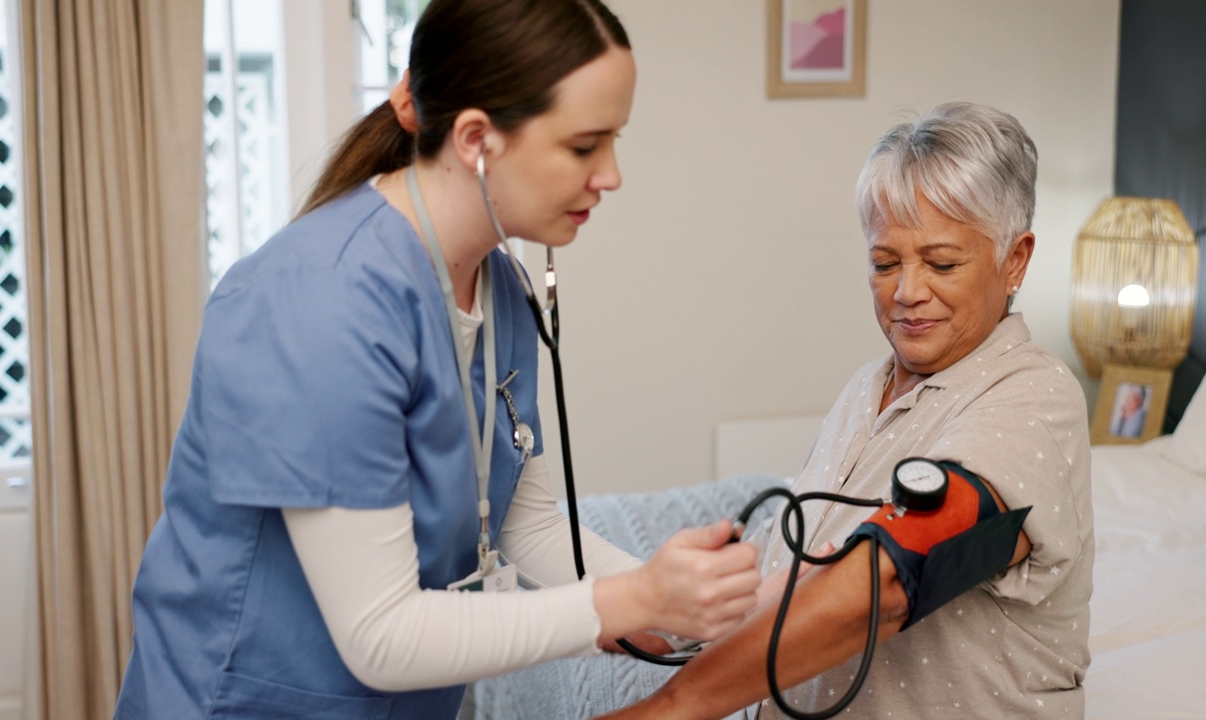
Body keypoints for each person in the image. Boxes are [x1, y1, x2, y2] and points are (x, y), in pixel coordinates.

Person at [112, 1, 762, 718]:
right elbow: (381, 635)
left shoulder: (500, 288)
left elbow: (526, 524)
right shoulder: (322, 303)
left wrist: (674, 599)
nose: (611, 175)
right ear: (477, 140)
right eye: (585, 146)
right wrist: (623, 602)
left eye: (615, 141)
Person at [596, 101, 1093, 720]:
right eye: (885, 263)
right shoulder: (867, 387)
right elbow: (803, 560)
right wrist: (670, 623)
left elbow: (888, 580)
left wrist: (671, 707)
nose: (907, 293)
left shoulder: (1036, 396)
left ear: (1014, 259)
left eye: (942, 263)